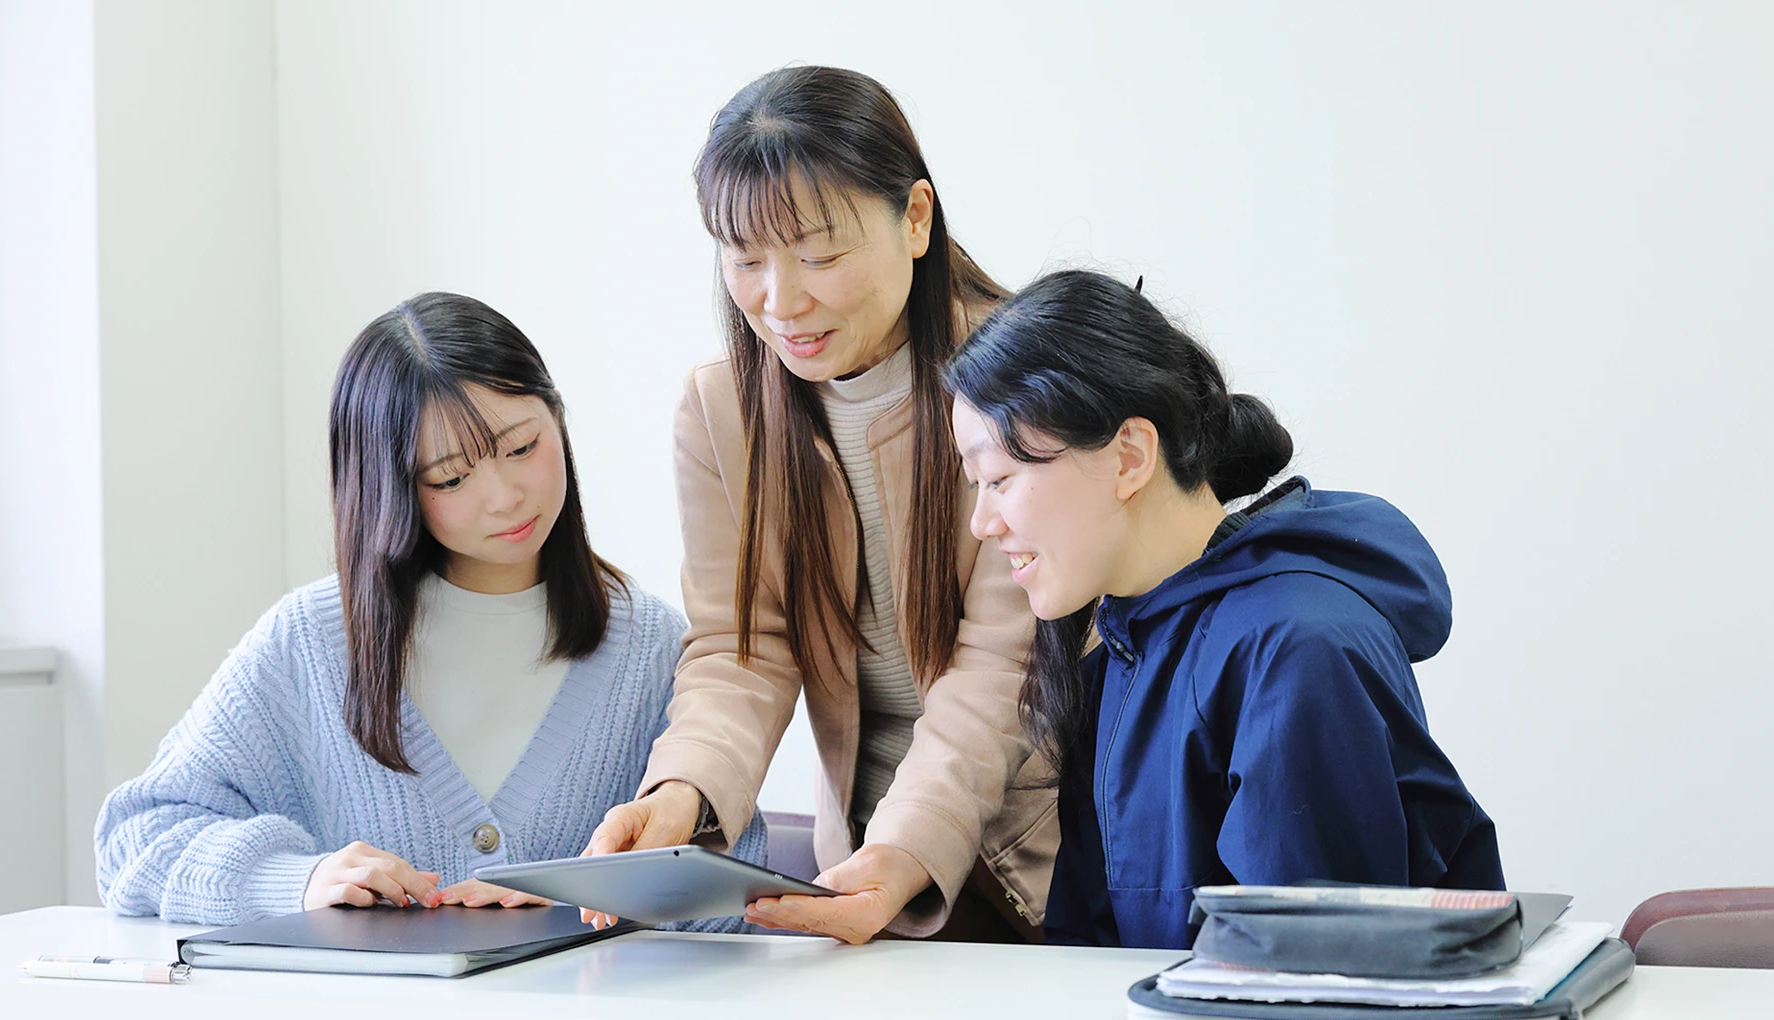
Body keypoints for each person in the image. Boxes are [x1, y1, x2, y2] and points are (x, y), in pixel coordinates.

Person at [95, 292, 765, 927]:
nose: (504, 496)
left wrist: (580, 900)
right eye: (450, 477)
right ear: (389, 488)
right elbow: (134, 841)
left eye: (522, 447)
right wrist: (295, 881)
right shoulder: (311, 643)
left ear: (556, 416)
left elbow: (742, 877)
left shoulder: (649, 646)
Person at [584, 66, 1057, 945]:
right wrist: (681, 792)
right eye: (745, 258)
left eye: (819, 254)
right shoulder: (720, 409)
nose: (780, 299)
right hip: (859, 866)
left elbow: (1001, 663)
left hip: (1035, 862)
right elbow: (740, 647)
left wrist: (904, 850)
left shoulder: (1016, 380)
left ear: (915, 219)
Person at [944, 269, 1504, 948]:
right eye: (977, 485)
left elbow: (1310, 980)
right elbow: (1084, 966)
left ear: (1129, 456)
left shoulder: (1294, 651)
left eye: (1000, 478)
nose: (980, 523)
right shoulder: (1120, 649)